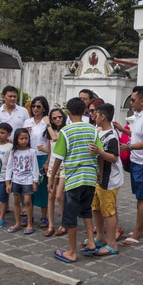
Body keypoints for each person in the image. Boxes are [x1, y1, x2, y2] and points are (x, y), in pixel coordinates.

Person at [50, 97, 101, 263]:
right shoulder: (92, 130)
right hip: (90, 177)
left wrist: (52, 178)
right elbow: (98, 151)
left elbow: (58, 157)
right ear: (85, 111)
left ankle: (72, 252)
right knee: (86, 210)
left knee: (70, 216)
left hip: (74, 178)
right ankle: (91, 242)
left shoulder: (66, 131)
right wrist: (98, 171)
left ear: (68, 113)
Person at [116, 86, 143, 246]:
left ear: (142, 100)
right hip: (138, 160)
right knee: (139, 196)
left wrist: (129, 147)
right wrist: (123, 131)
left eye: (133, 100)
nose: (131, 103)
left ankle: (138, 233)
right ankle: (142, 227)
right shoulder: (139, 117)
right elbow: (138, 136)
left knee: (142, 197)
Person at [87, 103, 122, 256]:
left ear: (103, 117)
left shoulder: (112, 136)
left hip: (109, 179)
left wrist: (99, 151)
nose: (94, 116)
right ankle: (100, 237)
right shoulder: (100, 132)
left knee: (108, 211)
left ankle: (112, 244)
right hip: (100, 178)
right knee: (96, 207)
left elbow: (114, 158)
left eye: (96, 114)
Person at [6, 128, 40, 234]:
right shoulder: (13, 152)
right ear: (17, 139)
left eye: (26, 138)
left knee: (27, 201)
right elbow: (9, 166)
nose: (24, 141)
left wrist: (35, 181)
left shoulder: (32, 152)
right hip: (16, 179)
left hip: (28, 180)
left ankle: (29, 223)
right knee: (16, 201)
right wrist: (8, 182)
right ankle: (17, 222)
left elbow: (35, 167)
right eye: (21, 138)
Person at [24, 96, 50, 228]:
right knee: (28, 186)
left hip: (41, 156)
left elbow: (50, 143)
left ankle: (44, 216)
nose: (35, 108)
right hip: (29, 157)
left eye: (38, 106)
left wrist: (47, 161)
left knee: (41, 186)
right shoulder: (27, 122)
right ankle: (29, 215)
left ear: (44, 108)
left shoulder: (47, 123)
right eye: (33, 106)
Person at [44, 108, 66, 237]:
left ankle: (64, 224)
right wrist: (47, 161)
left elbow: (55, 138)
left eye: (59, 117)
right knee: (51, 196)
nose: (57, 119)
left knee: (59, 195)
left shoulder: (64, 131)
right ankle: (51, 225)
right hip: (52, 165)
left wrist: (47, 124)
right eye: (54, 118)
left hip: (63, 166)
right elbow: (50, 149)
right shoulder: (49, 132)